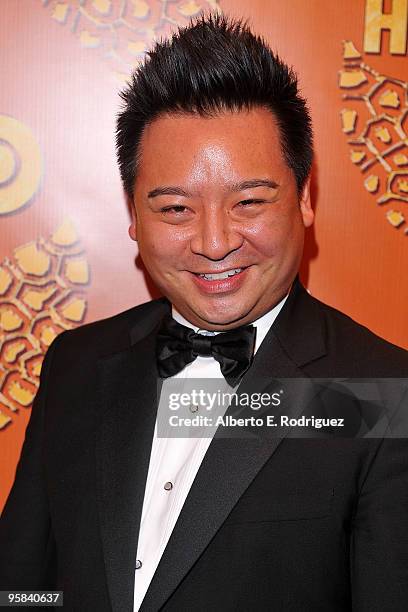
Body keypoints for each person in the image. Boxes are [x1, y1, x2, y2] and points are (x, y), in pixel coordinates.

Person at [1, 13, 407, 612]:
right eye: (175, 210)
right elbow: (22, 588)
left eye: (248, 201)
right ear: (135, 218)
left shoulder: (382, 392)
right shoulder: (77, 364)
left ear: (305, 199)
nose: (215, 242)